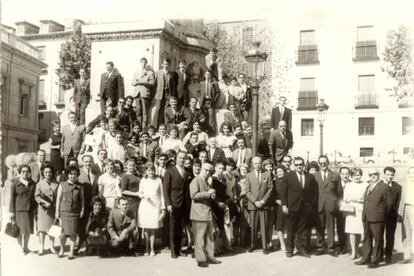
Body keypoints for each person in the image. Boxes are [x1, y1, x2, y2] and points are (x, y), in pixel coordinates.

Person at [281, 156, 318, 258]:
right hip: (291, 207)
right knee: (291, 229)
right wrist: (284, 205)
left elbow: (314, 193)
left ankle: (302, 248)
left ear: (304, 165)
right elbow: (283, 192)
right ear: (294, 165)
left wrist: (311, 206)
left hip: (305, 208)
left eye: (301, 164)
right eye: (296, 165)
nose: (299, 166)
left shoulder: (310, 177)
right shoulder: (288, 176)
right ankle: (290, 250)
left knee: (303, 230)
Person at [355, 169, 391, 268]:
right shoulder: (368, 186)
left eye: (375, 174)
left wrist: (381, 214)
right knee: (367, 238)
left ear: (378, 175)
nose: (373, 176)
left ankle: (376, 260)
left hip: (377, 217)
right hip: (367, 216)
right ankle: (366, 258)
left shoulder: (384, 186)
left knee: (378, 239)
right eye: (370, 174)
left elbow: (389, 204)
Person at [189, 162, 222, 267]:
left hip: (206, 212)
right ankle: (201, 260)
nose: (207, 172)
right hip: (198, 213)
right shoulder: (195, 180)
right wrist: (208, 193)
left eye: (209, 171)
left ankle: (210, 257)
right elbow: (193, 195)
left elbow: (208, 195)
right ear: (201, 169)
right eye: (205, 170)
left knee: (209, 237)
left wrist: (212, 195)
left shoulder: (206, 181)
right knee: (199, 238)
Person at [163, 151, 190, 258]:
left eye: (184, 158)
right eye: (180, 158)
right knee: (173, 228)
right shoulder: (169, 171)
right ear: (176, 158)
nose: (182, 160)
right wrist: (168, 204)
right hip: (174, 203)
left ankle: (179, 250)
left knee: (181, 228)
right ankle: (173, 251)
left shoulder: (187, 172)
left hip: (184, 204)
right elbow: (166, 190)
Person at [314, 155, 341, 256]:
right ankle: (320, 247)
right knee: (320, 227)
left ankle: (330, 248)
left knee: (330, 227)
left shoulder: (335, 175)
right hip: (319, 204)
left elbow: (339, 191)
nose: (323, 164)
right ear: (318, 164)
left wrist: (337, 204)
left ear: (328, 162)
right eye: (320, 162)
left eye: (324, 162)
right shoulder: (314, 175)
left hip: (331, 204)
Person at [55, 165, 85, 259]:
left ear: (77, 175)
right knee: (62, 234)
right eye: (71, 174)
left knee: (73, 233)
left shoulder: (80, 187)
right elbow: (58, 199)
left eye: (75, 174)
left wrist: (82, 210)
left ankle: (71, 252)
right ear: (68, 175)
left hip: (74, 213)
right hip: (64, 212)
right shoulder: (62, 184)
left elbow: (82, 199)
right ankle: (62, 250)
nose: (73, 176)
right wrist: (57, 212)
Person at [245, 157, 273, 254]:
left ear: (261, 164)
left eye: (259, 163)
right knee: (253, 226)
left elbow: (270, 189)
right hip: (253, 205)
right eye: (255, 163)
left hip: (263, 204)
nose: (257, 165)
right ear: (252, 164)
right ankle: (253, 244)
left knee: (263, 225)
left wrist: (263, 201)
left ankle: (265, 246)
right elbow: (247, 191)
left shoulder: (267, 174)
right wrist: (255, 201)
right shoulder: (248, 175)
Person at [138, 162, 166, 256]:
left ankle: (152, 249)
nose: (151, 172)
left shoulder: (158, 180)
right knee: (146, 228)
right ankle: (146, 249)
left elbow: (162, 194)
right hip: (145, 205)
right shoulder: (143, 180)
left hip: (155, 206)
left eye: (152, 170)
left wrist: (163, 208)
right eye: (149, 170)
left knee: (153, 228)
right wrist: (144, 196)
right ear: (146, 171)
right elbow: (140, 193)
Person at [9, 165, 37, 255]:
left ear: (29, 172)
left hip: (30, 210)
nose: (25, 173)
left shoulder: (32, 183)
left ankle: (26, 247)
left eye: (27, 171)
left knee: (28, 230)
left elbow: (34, 197)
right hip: (19, 211)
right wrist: (12, 212)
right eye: (23, 171)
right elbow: (12, 199)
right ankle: (21, 248)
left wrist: (35, 209)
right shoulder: (15, 184)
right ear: (20, 172)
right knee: (19, 231)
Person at [35, 163, 59, 255]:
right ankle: (41, 247)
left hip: (53, 209)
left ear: (52, 173)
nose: (48, 174)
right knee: (42, 228)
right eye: (46, 172)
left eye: (50, 172)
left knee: (53, 228)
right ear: (43, 173)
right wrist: (44, 203)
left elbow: (59, 196)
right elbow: (36, 196)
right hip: (43, 210)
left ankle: (51, 246)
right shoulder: (39, 184)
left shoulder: (56, 183)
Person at [76, 155, 99, 251]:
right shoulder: (78, 173)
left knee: (90, 224)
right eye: (86, 161)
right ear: (82, 162)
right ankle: (80, 243)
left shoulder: (95, 173)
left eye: (90, 161)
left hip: (92, 203)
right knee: (81, 224)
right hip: (82, 203)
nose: (88, 163)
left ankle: (89, 244)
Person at [343, 168, 367, 260]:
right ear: (351, 176)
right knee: (352, 231)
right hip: (351, 210)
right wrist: (355, 199)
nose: (357, 177)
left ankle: (359, 249)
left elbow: (366, 198)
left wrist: (354, 199)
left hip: (361, 209)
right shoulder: (348, 185)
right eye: (354, 175)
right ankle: (353, 251)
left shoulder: (365, 185)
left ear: (361, 175)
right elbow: (345, 199)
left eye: (358, 175)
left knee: (360, 231)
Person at [382, 166, 402, 263]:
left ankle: (388, 254)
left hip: (391, 215)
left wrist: (397, 214)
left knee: (390, 236)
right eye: (388, 174)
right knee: (379, 235)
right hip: (380, 215)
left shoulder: (398, 187)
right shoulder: (379, 185)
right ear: (384, 174)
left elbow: (398, 203)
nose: (390, 177)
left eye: (392, 175)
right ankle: (379, 254)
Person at [153, 58, 178, 128]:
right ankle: (155, 126)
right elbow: (155, 84)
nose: (165, 65)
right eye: (164, 64)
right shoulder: (158, 72)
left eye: (167, 64)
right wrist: (154, 94)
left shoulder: (171, 74)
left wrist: (172, 96)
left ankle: (165, 125)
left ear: (169, 65)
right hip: (159, 93)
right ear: (162, 64)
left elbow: (173, 86)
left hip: (168, 93)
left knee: (166, 109)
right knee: (158, 108)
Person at [131, 57, 155, 127]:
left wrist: (143, 82)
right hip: (137, 93)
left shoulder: (150, 73)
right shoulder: (137, 72)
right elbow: (132, 82)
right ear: (140, 63)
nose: (143, 64)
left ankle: (144, 127)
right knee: (138, 111)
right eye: (142, 62)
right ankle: (138, 126)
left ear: (146, 63)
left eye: (145, 62)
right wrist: (136, 82)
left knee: (144, 111)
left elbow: (152, 83)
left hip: (145, 94)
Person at [398, 166, 414, 264]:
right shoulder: (405, 185)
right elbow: (402, 201)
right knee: (406, 233)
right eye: (410, 173)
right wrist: (400, 213)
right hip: (406, 209)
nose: (412, 175)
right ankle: (407, 256)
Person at [336, 166, 351, 255]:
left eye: (347, 174)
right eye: (343, 174)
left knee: (350, 228)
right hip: (339, 210)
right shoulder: (336, 185)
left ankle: (349, 247)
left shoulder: (352, 184)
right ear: (340, 174)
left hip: (350, 209)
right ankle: (342, 247)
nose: (345, 176)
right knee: (340, 228)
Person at [274, 165, 287, 252]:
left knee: (290, 225)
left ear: (284, 172)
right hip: (278, 206)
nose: (279, 173)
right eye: (277, 172)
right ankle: (282, 245)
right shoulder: (275, 182)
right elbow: (272, 194)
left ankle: (291, 243)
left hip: (288, 205)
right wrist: (276, 200)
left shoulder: (289, 181)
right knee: (279, 226)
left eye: (281, 171)